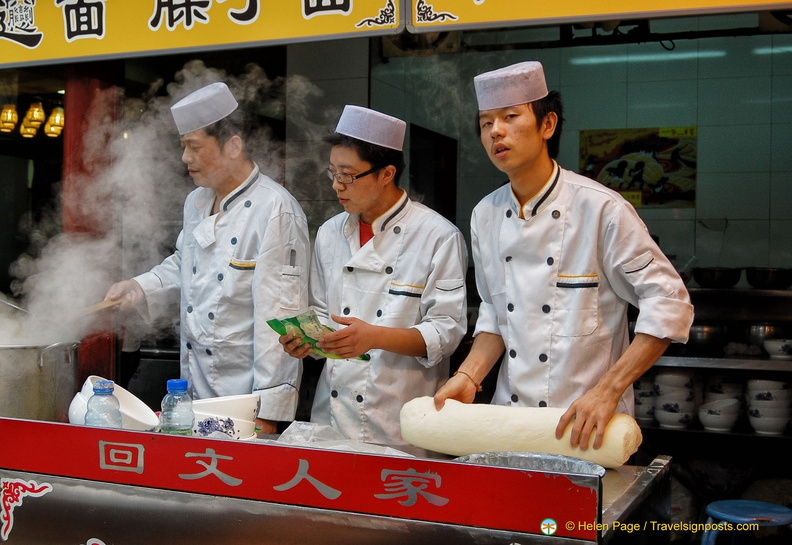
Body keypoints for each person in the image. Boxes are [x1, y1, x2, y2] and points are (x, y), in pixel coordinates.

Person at [433, 61, 693, 451]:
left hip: (589, 426)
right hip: (511, 424)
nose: (496, 131)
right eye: (486, 123)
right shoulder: (484, 214)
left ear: (547, 124)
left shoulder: (601, 209)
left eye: (510, 116)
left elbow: (669, 303)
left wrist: (609, 390)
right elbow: (495, 313)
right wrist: (468, 377)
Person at [105, 82, 310, 434]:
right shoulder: (197, 201)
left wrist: (269, 413)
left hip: (246, 399)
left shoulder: (275, 209)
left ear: (233, 145)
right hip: (192, 386)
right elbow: (184, 263)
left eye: (194, 147)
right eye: (183, 146)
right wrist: (139, 286)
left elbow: (281, 319)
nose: (185, 158)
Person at [279, 105, 468, 450]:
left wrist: (374, 337)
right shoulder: (329, 232)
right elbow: (323, 311)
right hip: (332, 418)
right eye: (333, 173)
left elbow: (446, 331)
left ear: (386, 173)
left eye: (348, 175)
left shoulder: (438, 236)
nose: (338, 186)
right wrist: (307, 340)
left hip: (400, 420)